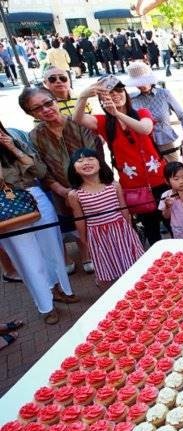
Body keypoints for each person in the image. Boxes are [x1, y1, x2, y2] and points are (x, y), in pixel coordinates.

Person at [73, 76, 168, 245]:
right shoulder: (103, 122)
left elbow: (145, 129)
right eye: (109, 93)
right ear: (102, 99)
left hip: (160, 178)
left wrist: (117, 114)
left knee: (173, 223)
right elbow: (77, 119)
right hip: (133, 186)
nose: (116, 95)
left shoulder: (141, 112)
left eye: (119, 90)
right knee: (152, 231)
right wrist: (83, 96)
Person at [0, 121, 77, 326]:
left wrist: (13, 148)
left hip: (35, 196)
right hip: (6, 207)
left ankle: (62, 290)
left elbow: (40, 171)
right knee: (28, 260)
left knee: (53, 249)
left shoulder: (14, 138)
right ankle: (46, 305)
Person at [20, 85, 102, 274]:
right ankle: (79, 252)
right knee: (70, 222)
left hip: (90, 186)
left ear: (56, 101)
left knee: (92, 221)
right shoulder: (35, 136)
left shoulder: (78, 123)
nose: (46, 109)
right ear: (30, 113)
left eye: (48, 103)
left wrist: (84, 188)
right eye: (37, 108)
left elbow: (94, 154)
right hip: (60, 191)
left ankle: (88, 252)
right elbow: (42, 171)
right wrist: (61, 190)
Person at [67, 148, 143, 286]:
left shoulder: (114, 185)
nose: (86, 162)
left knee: (130, 260)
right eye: (80, 160)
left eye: (90, 159)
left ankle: (136, 287)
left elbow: (124, 209)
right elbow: (79, 219)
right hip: (98, 235)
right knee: (106, 266)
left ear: (100, 163)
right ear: (73, 168)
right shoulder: (75, 194)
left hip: (121, 230)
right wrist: (84, 240)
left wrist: (130, 229)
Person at [127, 61, 183, 163]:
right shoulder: (131, 99)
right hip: (143, 143)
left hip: (165, 140)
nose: (142, 84)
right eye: (138, 82)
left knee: (174, 171)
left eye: (144, 80)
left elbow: (182, 115)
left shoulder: (164, 94)